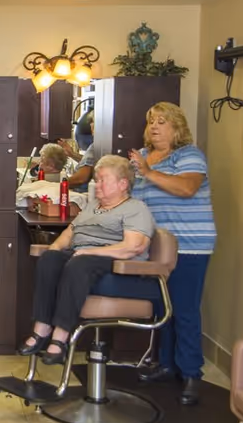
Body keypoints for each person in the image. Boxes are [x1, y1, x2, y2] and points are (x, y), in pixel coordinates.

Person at [17, 155, 154, 364]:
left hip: (115, 267)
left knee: (79, 263)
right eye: (95, 179)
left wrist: (91, 252)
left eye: (102, 180)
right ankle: (42, 327)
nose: (96, 185)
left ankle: (60, 338)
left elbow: (133, 247)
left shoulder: (135, 208)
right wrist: (54, 250)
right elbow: (71, 232)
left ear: (122, 183)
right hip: (83, 260)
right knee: (50, 259)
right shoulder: (93, 206)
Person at [128, 102, 216, 406]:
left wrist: (149, 172)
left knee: (184, 309)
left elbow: (187, 188)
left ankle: (191, 372)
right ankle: (166, 364)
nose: (154, 127)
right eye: (151, 121)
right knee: (162, 308)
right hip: (156, 247)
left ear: (177, 127)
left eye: (162, 122)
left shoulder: (188, 154)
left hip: (190, 243)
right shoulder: (142, 157)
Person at [17, 143, 87, 212]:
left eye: (41, 160)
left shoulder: (48, 185)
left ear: (51, 166)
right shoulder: (63, 178)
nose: (39, 164)